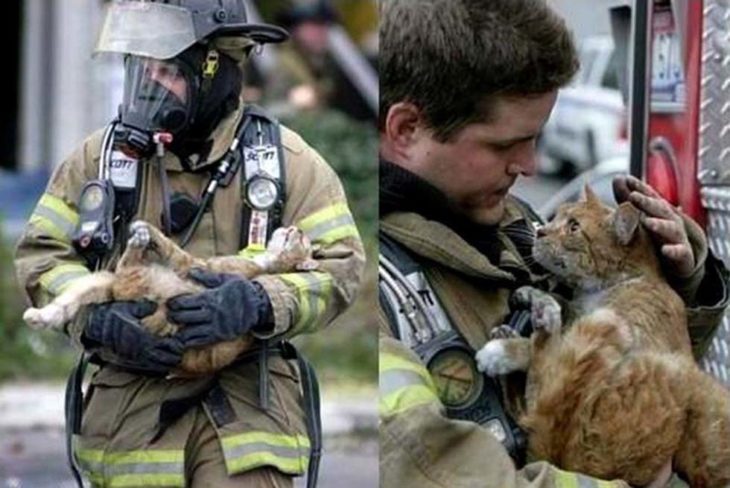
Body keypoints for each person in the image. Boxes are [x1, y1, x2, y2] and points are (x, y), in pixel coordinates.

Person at [377, 0, 728, 487]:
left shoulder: (513, 228)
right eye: (505, 145)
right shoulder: (372, 291)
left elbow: (625, 373)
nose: (531, 166)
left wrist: (666, 285)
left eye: (536, 139)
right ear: (406, 129)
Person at [14, 1, 365, 487]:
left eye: (167, 70)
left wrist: (259, 302)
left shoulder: (286, 162)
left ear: (217, 70)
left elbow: (340, 267)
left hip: (248, 418)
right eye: (142, 68)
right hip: (130, 424)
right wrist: (95, 320)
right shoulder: (97, 159)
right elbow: (42, 255)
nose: (150, 85)